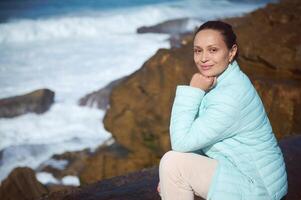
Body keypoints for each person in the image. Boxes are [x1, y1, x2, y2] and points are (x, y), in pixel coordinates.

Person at [158, 21, 288, 200]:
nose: (203, 58)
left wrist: (193, 91)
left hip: (258, 188)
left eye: (212, 50)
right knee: (172, 169)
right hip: (244, 171)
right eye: (198, 50)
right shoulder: (225, 79)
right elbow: (197, 135)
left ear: (231, 52)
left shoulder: (230, 96)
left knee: (172, 164)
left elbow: (180, 142)